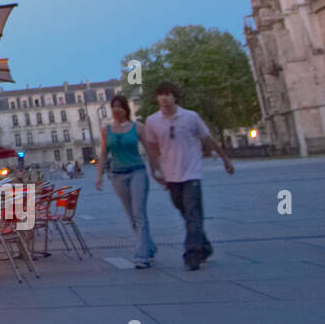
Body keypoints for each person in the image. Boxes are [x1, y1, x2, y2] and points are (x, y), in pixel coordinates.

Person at [142, 81, 234, 271]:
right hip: (171, 175)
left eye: (168, 94)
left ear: (175, 97)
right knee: (186, 213)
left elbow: (207, 138)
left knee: (192, 213)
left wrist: (225, 159)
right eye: (161, 94)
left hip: (191, 173)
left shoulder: (190, 117)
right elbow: (152, 148)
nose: (164, 98)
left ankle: (191, 254)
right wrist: (154, 170)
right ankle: (205, 246)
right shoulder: (152, 121)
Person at [95, 95, 156, 268]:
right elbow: (104, 153)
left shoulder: (138, 127)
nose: (116, 110)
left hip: (137, 172)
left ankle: (141, 256)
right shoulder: (107, 130)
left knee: (139, 214)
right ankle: (149, 247)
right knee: (132, 216)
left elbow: (150, 149)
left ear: (125, 109)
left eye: (119, 106)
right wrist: (99, 176)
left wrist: (157, 170)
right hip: (117, 175)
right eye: (113, 106)